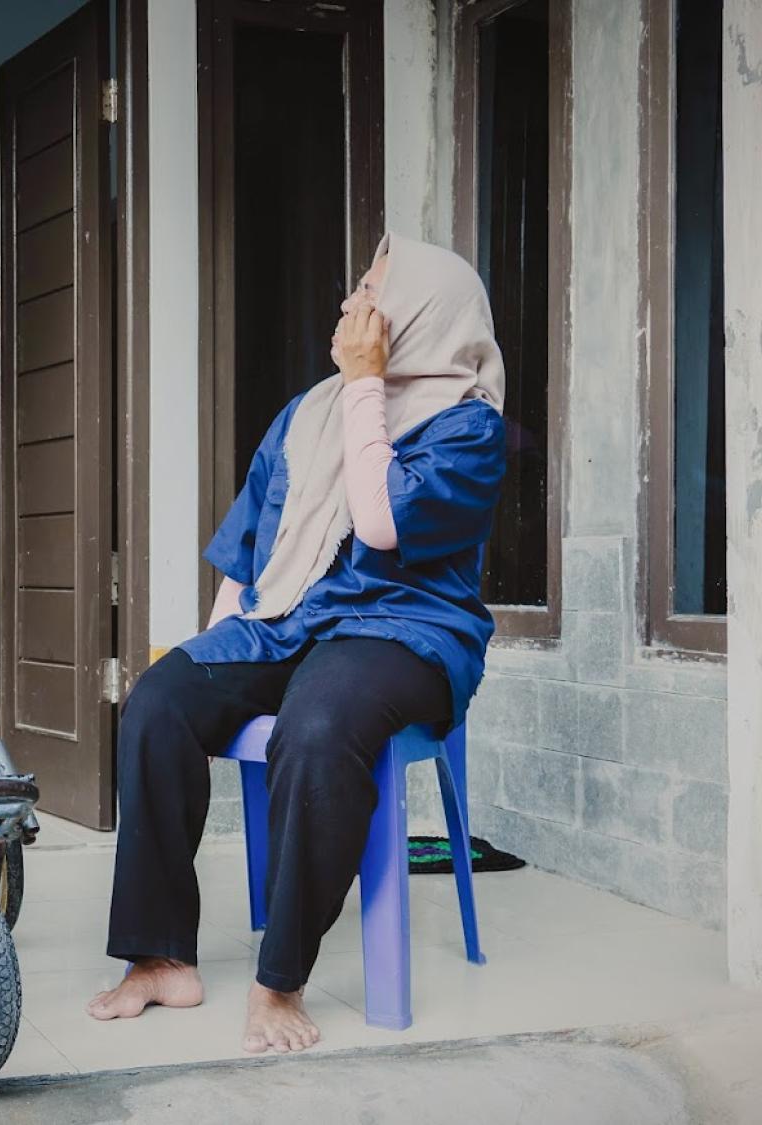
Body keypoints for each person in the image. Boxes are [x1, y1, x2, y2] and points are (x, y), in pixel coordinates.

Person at [87, 233, 508, 1053]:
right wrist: (209, 667)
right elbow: (248, 564)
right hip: (291, 622)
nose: (355, 306)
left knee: (318, 724)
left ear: (423, 313)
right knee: (160, 700)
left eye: (376, 294)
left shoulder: (467, 426)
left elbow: (382, 521)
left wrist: (364, 386)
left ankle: (280, 979)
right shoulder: (308, 416)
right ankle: (159, 952)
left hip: (406, 629)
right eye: (358, 287)